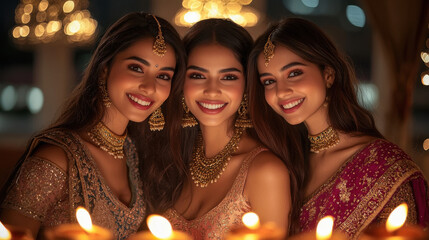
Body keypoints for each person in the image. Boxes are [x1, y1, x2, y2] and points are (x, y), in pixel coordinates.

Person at [0, 12, 185, 240]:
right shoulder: (55, 160)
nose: (149, 87)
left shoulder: (133, 153)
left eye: (163, 76)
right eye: (136, 68)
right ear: (105, 68)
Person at [247, 17, 429, 239]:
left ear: (328, 75)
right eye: (269, 81)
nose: (281, 91)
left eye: (294, 73)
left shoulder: (383, 164)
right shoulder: (283, 160)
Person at [159, 18, 291, 240]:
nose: (212, 90)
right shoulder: (174, 158)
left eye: (228, 77)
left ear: (247, 85)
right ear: (181, 83)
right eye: (198, 76)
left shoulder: (265, 171)